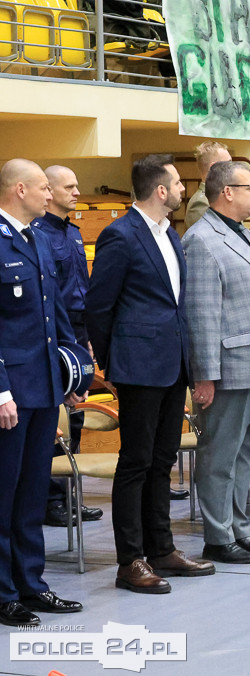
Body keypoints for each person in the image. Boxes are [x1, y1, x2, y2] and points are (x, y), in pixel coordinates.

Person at [87, 155, 215, 593]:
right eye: (178, 183)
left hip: (171, 362)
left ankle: (161, 548)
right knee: (136, 463)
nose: (183, 189)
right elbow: (99, 306)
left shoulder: (170, 236)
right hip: (138, 366)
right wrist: (113, 362)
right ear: (160, 190)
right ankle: (130, 560)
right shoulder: (119, 236)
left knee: (163, 461)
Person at [182, 161, 250, 564]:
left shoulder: (244, 234)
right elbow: (202, 313)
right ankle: (217, 535)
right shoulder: (202, 240)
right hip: (231, 367)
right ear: (227, 191)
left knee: (247, 453)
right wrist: (205, 375)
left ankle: (239, 529)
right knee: (220, 456)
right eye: (249, 188)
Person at [0, 159, 84, 626]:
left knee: (32, 492)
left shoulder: (35, 239)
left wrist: (69, 377)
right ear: (19, 189)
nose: (49, 197)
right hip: (10, 393)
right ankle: (3, 592)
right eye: (42, 190)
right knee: (4, 493)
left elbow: (54, 318)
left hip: (42, 386)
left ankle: (31, 584)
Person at [33, 165, 103, 528]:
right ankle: (50, 500)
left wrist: (88, 336)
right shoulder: (38, 234)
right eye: (69, 186)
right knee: (52, 418)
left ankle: (68, 494)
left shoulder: (74, 234)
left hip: (77, 329)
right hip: (52, 332)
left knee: (74, 416)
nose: (77, 192)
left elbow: (84, 289)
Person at [184, 141, 231, 230]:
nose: (232, 168)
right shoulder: (201, 202)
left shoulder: (219, 196)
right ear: (214, 167)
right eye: (228, 164)